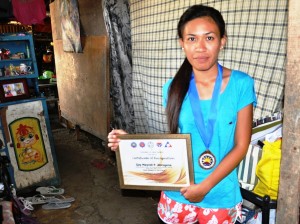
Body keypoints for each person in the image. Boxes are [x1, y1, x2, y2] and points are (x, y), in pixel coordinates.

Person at [108, 4, 257, 224]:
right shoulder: (172, 88)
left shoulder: (241, 84)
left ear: (222, 41)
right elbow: (173, 145)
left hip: (220, 193)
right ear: (182, 44)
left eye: (209, 38)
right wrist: (128, 144)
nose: (200, 48)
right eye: (191, 39)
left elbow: (241, 145)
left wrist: (204, 187)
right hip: (178, 191)